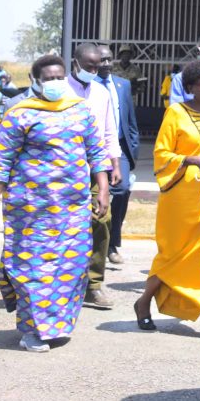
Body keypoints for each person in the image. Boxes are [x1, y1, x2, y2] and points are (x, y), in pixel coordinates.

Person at [0, 55, 111, 352]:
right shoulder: (20, 113)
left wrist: (102, 191)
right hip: (30, 209)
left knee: (71, 265)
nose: (55, 82)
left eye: (59, 77)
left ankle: (55, 325)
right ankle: (31, 330)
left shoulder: (80, 111)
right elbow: (2, 162)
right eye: (48, 78)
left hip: (72, 208)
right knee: (33, 268)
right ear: (36, 79)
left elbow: (97, 154)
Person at [134, 61, 200, 331]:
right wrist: (192, 159)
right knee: (172, 256)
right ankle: (144, 301)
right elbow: (162, 154)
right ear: (189, 88)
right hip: (180, 198)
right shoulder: (176, 113)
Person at [67, 43, 122, 310]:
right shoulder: (61, 89)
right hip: (64, 169)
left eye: (96, 66)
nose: (93, 70)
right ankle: (64, 283)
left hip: (95, 169)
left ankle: (94, 284)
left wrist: (116, 165)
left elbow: (110, 132)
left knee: (102, 221)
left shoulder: (101, 93)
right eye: (88, 66)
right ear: (74, 63)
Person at [96, 46, 140, 266]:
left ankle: (112, 243)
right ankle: (96, 244)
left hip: (119, 147)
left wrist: (133, 149)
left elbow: (130, 119)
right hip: (94, 148)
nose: (106, 63)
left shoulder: (123, 85)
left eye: (108, 60)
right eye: (101, 59)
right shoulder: (88, 86)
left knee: (121, 191)